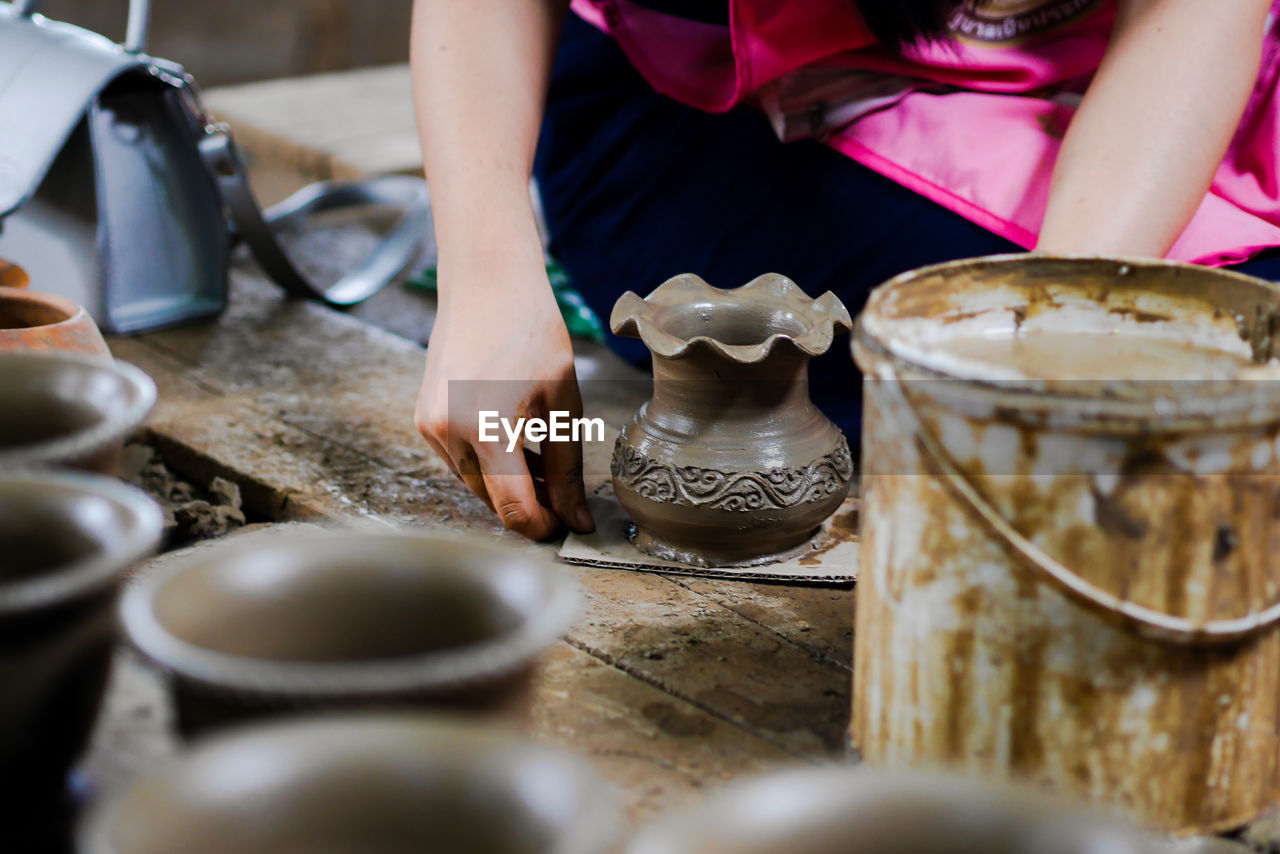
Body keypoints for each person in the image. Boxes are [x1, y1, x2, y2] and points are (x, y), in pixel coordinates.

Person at [410, 0, 1280, 540]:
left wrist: (1052, 335)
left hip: (1116, 75)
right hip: (729, 98)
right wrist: (485, 272)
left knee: (1213, 349)